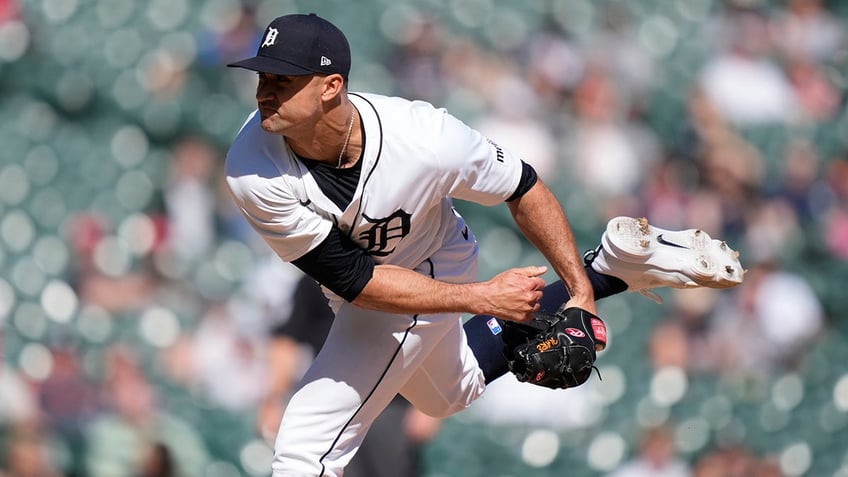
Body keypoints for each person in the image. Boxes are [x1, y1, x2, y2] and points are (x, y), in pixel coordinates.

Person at [224, 13, 743, 476]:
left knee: (304, 447)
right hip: (374, 286)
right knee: (449, 394)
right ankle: (614, 266)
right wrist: (487, 298)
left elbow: (523, 186)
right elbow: (357, 282)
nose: (264, 92)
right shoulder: (252, 169)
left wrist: (575, 294)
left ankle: (597, 276)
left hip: (434, 259)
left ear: (332, 86)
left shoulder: (424, 138)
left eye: (283, 80)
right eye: (263, 78)